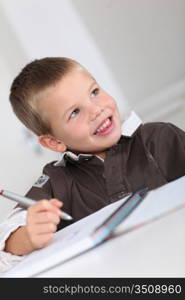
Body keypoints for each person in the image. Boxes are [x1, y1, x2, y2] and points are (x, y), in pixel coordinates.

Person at [0, 57, 185, 272]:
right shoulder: (57, 180)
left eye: (94, 92)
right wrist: (25, 238)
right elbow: (11, 230)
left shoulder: (159, 137)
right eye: (75, 112)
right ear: (54, 142)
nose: (96, 110)